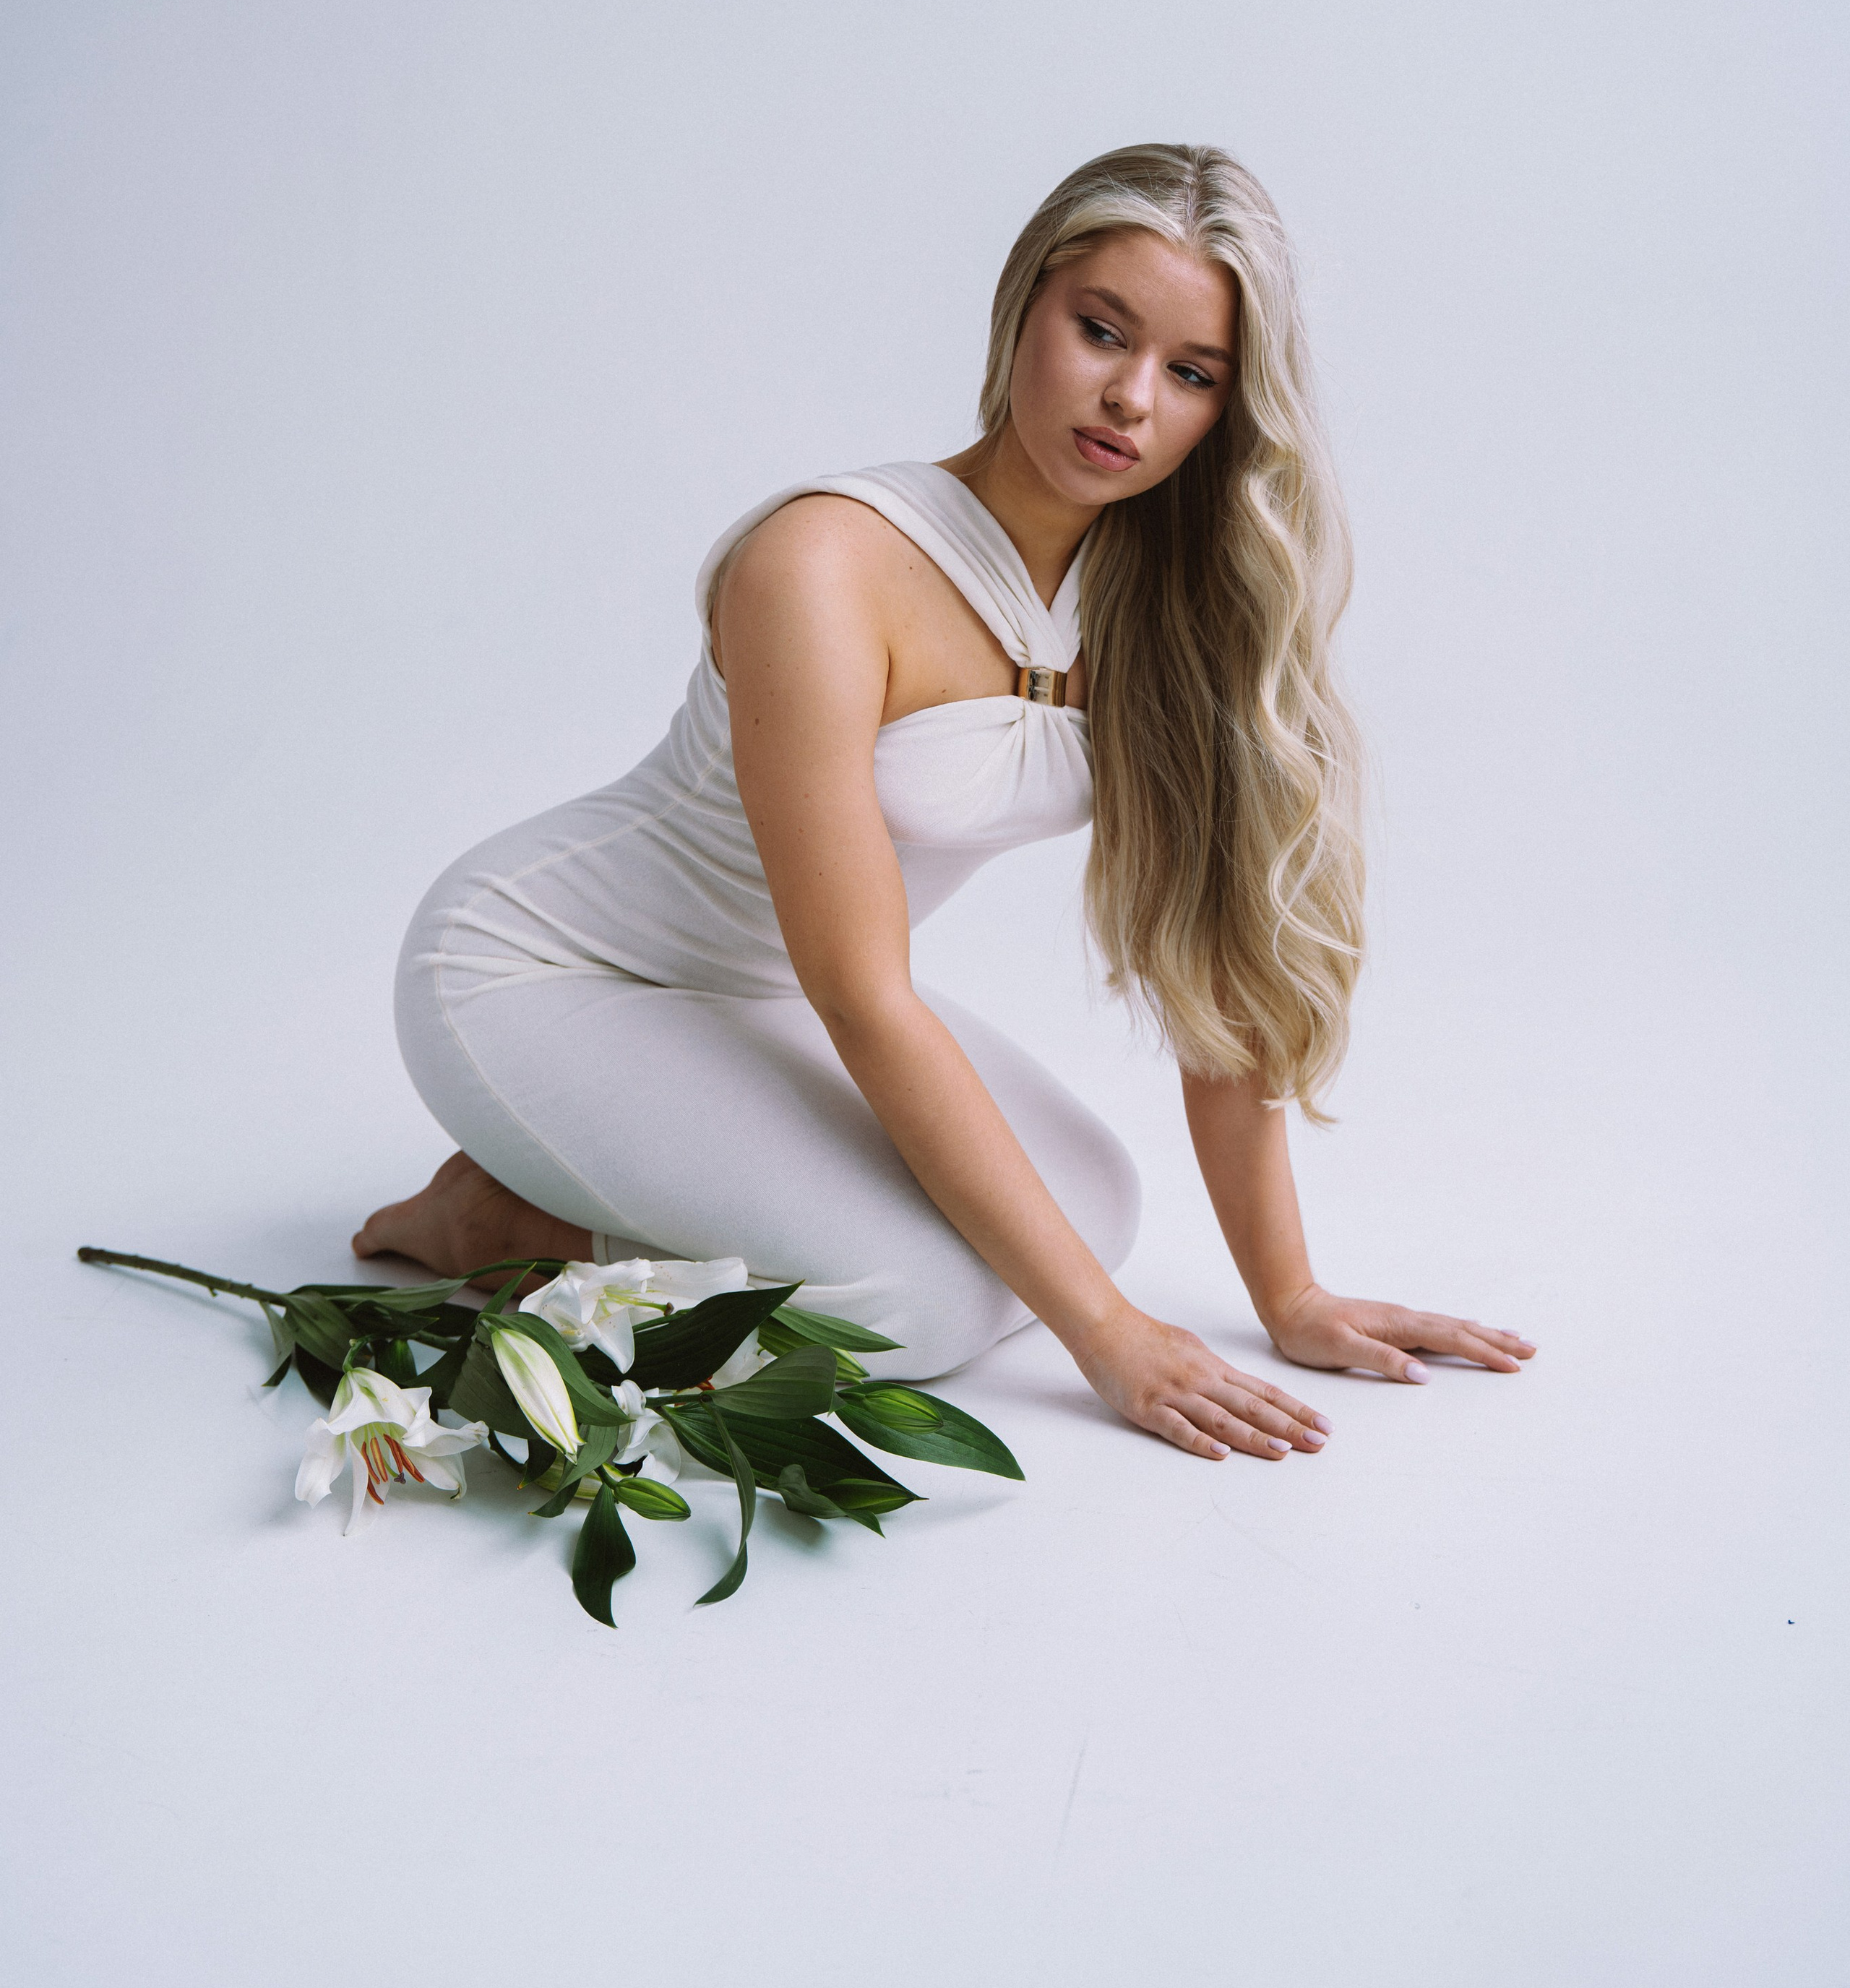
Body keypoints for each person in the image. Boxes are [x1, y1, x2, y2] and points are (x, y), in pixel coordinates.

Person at [359, 143, 1533, 1460]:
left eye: (1191, 373)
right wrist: (1109, 1340)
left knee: (1093, 1206)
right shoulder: (824, 564)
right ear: (1024, 305)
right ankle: (494, 1225)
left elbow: (1221, 978)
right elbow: (863, 990)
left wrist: (1291, 1295)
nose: (1131, 399)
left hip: (762, 992)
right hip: (547, 967)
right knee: (910, 1310)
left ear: (1226, 410)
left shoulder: (1166, 608)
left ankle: (604, 1212)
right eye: (1101, 331)